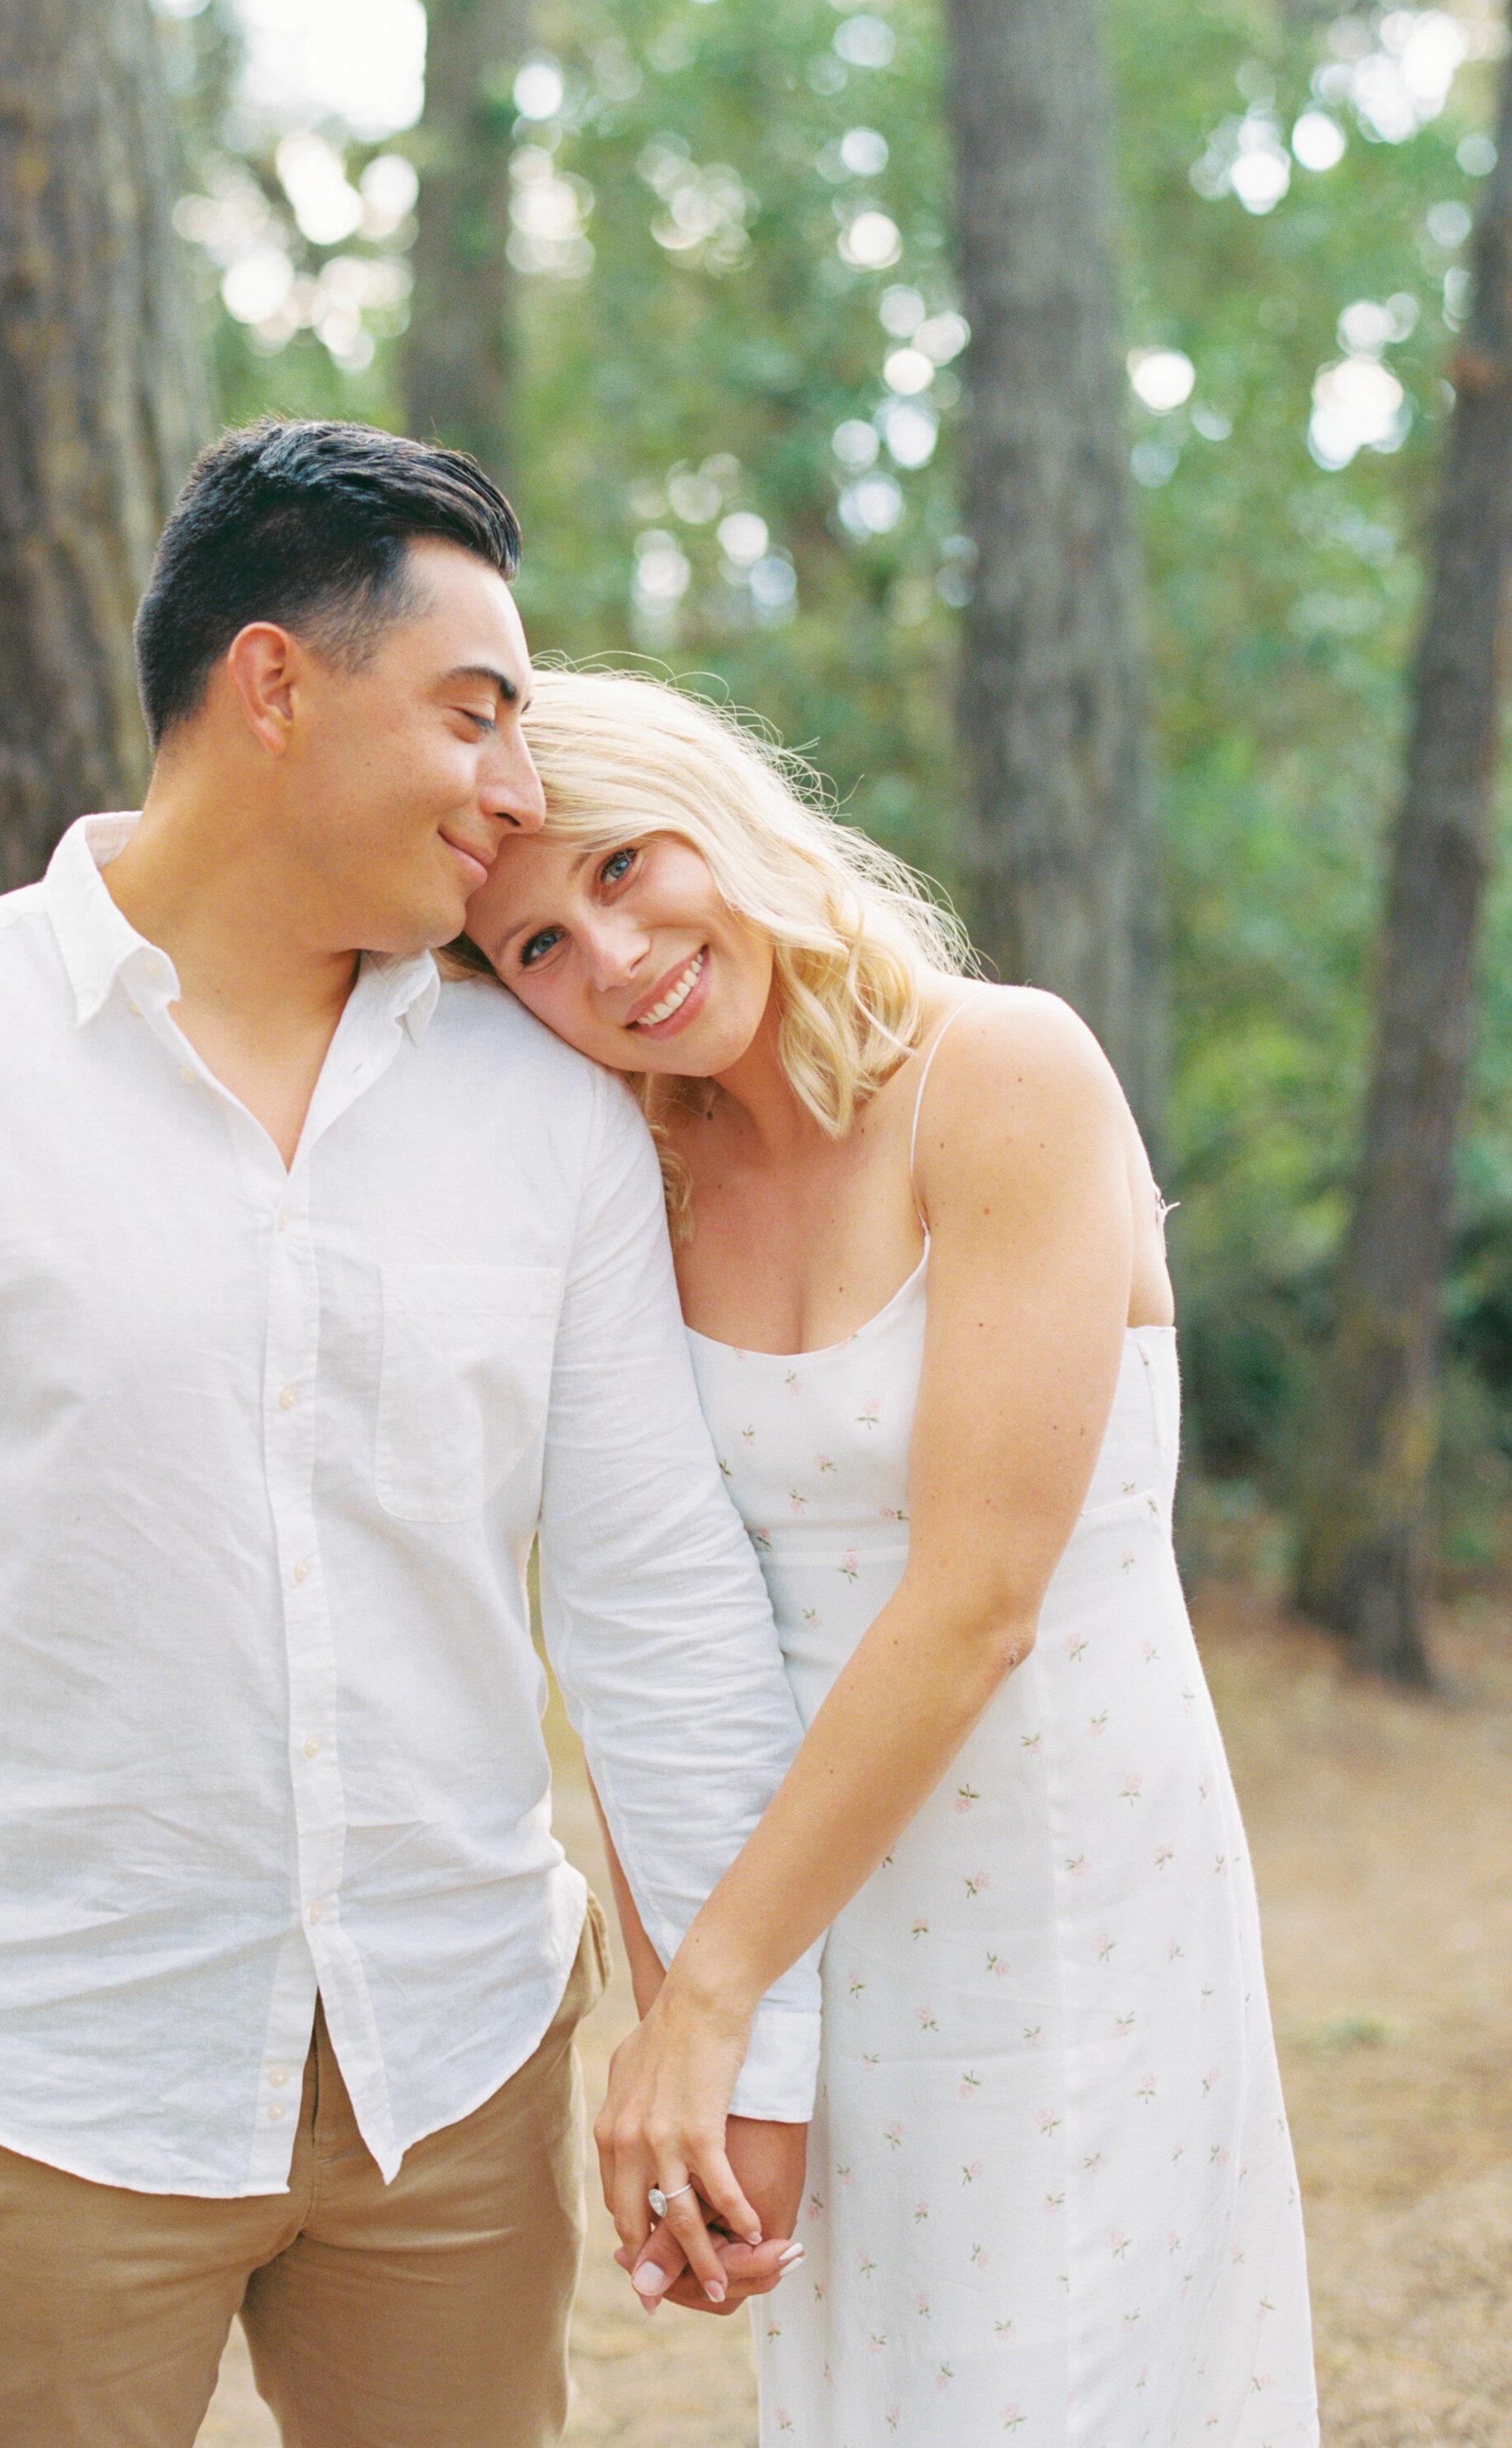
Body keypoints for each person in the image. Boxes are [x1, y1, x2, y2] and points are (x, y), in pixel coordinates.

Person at [0, 426, 818, 2448]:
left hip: (454, 2076)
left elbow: (655, 1607)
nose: (517, 787)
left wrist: (745, 2045)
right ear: (271, 685)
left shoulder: (544, 1117)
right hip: (49, 2078)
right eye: (471, 714)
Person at [459, 667, 1319, 2447]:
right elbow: (644, 1626)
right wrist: (694, 2048)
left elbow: (975, 1603)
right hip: (814, 1927)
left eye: (621, 866)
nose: (606, 956)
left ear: (723, 814)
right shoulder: (635, 1180)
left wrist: (708, 1992)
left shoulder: (997, 1072)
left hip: (1068, 1893)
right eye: (536, 947)